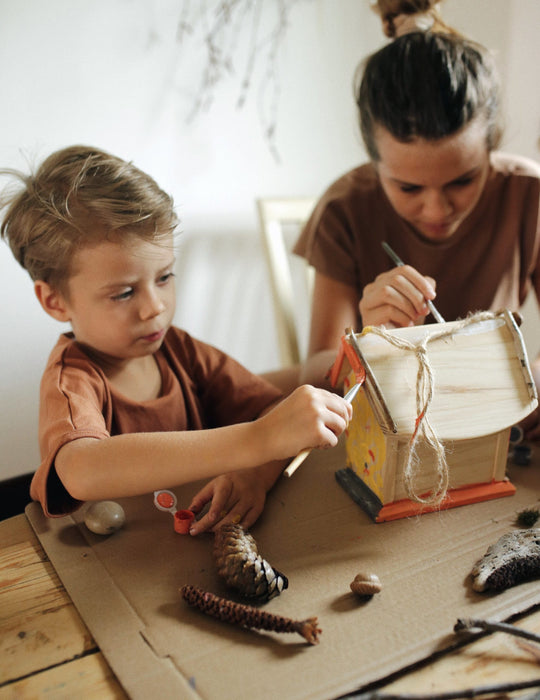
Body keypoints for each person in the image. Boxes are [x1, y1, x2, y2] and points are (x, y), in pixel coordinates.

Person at [0, 145, 352, 531]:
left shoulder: (180, 350)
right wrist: (257, 440)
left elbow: (271, 411)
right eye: (123, 293)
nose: (156, 307)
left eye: (164, 277)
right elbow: (81, 468)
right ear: (54, 301)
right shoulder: (72, 382)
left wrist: (255, 474)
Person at [294, 0, 540, 439]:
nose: (436, 210)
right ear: (374, 162)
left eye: (463, 181)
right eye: (408, 188)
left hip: (499, 435)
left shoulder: (530, 195)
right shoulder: (344, 211)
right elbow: (315, 372)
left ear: (491, 149)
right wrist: (368, 340)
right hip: (393, 433)